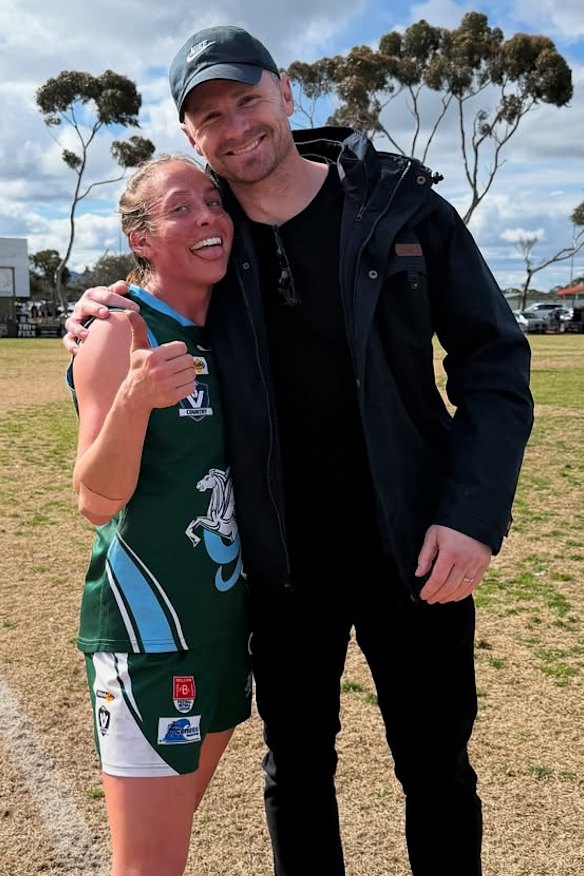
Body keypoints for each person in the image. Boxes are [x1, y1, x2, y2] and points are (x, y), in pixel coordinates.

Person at [64, 26, 534, 876]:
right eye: (211, 115)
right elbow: (154, 280)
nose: (236, 126)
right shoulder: (214, 236)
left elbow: (496, 364)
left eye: (248, 98)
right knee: (298, 773)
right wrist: (100, 304)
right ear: (191, 136)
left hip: (416, 549)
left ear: (285, 93)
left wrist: (471, 517)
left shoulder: (402, 208)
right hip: (278, 567)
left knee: (436, 770)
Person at [69, 153, 251, 876]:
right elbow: (94, 499)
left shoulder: (234, 327)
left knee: (166, 843)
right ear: (141, 239)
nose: (207, 217)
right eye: (181, 208)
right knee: (149, 866)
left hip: (222, 630)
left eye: (213, 200)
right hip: (149, 635)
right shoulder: (120, 329)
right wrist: (134, 402)